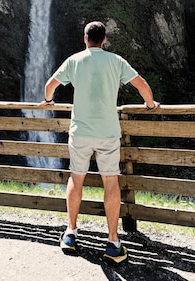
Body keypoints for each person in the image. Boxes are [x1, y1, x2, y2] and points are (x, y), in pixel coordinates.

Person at [39, 21, 159, 265]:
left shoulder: (74, 60)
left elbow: (49, 86)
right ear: (104, 40)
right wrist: (150, 105)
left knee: (76, 178)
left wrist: (49, 101)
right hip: (107, 133)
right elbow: (142, 85)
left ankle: (71, 233)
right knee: (110, 181)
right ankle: (113, 242)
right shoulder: (116, 61)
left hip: (80, 131)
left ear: (85, 39)